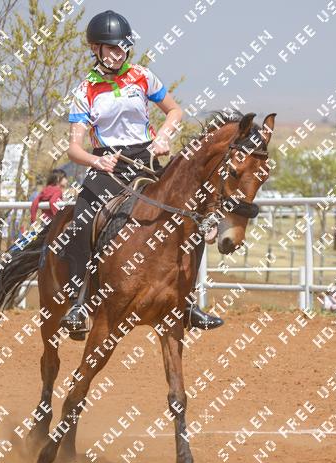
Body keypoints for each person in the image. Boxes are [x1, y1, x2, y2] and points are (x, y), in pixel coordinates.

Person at [60, 10, 222, 336]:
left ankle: (188, 302)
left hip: (145, 159)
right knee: (81, 223)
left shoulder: (143, 76)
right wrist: (95, 162)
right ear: (95, 49)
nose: (118, 53)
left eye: (122, 48)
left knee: (191, 219)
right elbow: (73, 149)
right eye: (111, 48)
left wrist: (163, 137)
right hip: (107, 164)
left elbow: (174, 110)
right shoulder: (85, 90)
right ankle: (78, 304)